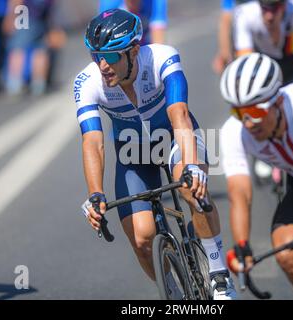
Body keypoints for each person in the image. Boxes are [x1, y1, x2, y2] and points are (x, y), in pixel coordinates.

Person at [75, 9, 236, 300]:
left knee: (192, 190)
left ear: (134, 51)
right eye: (95, 55)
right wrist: (95, 193)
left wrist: (191, 166)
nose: (102, 65)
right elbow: (92, 142)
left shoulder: (161, 58)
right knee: (141, 237)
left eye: (111, 56)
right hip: (133, 154)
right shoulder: (87, 83)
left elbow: (179, 115)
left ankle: (219, 275)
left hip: (175, 138)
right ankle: (172, 294)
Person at [221, 53, 293, 294]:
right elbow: (239, 192)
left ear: (277, 102)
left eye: (255, 110)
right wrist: (242, 245)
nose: (248, 122)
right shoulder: (233, 132)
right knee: (287, 252)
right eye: (239, 113)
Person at [233, 0, 293, 85]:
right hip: (262, 63)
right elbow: (246, 58)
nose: (269, 16)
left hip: (291, 60)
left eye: (274, 9)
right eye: (265, 8)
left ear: (284, 6)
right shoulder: (245, 14)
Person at [3, 0, 66, 96]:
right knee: (40, 50)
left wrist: (11, 16)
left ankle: (14, 85)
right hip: (43, 15)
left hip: (25, 15)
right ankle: (38, 85)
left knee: (17, 49)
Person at [98, 0, 167, 44]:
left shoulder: (156, 2)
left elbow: (158, 42)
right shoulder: (109, 3)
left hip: (144, 46)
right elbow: (104, 41)